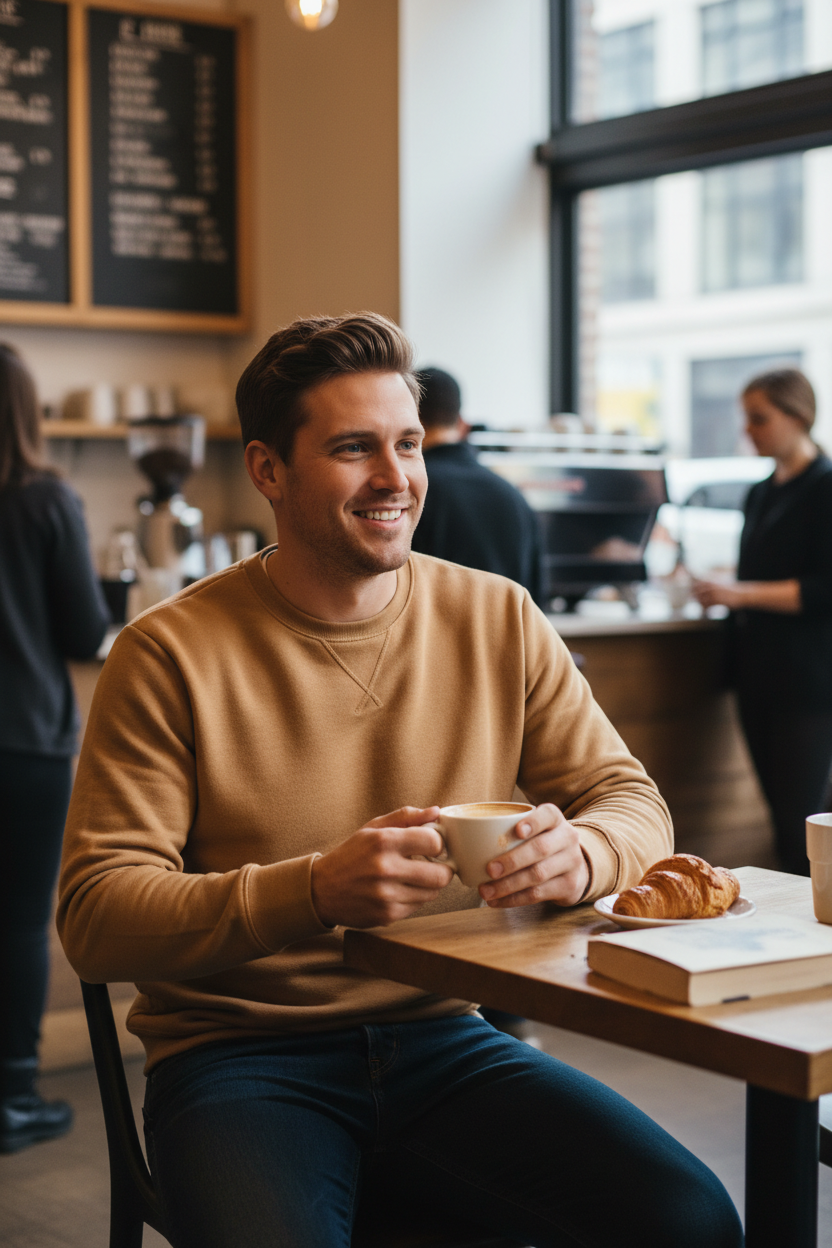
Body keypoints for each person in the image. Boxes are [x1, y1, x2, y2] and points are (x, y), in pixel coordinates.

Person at [58, 314, 742, 1247]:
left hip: (447, 1040)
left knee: (691, 1219)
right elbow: (96, 917)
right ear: (268, 470)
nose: (396, 478)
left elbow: (632, 803)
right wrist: (312, 890)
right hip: (239, 1059)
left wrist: (581, 856)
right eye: (353, 448)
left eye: (409, 444)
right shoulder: (166, 654)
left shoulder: (498, 617)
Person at [0, 344, 109, 1153]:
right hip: (23, 741)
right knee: (17, 924)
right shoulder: (44, 500)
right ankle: (10, 1095)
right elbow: (82, 631)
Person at [694, 367, 832, 875]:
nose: (748, 430)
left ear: (798, 417)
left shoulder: (825, 487)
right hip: (757, 672)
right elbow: (762, 570)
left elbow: (824, 590)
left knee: (800, 824)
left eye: (759, 418)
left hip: (808, 679)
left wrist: (738, 592)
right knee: (779, 817)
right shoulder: (760, 491)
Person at [410, 365, 544, 606]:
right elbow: (536, 602)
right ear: (462, 424)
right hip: (510, 631)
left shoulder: (407, 492)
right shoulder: (513, 496)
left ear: (410, 419)